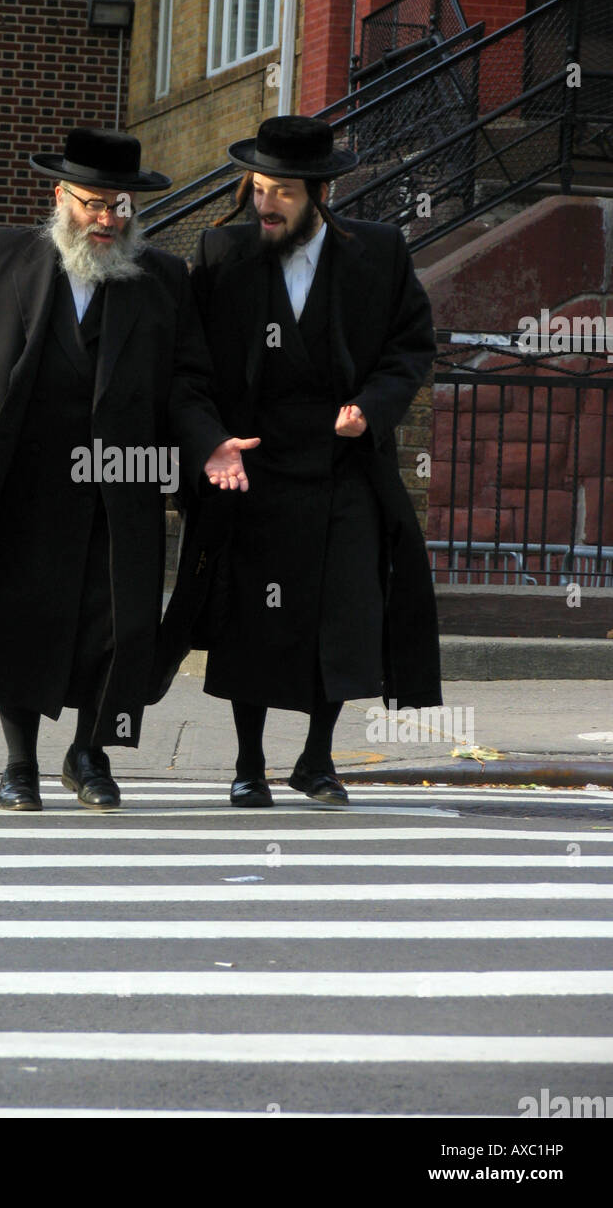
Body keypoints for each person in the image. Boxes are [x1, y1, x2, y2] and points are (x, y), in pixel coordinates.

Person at [0, 127, 258, 812]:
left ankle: (89, 755)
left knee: (117, 627)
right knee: (18, 621)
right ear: (59, 197)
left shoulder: (160, 279)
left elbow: (186, 381)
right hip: (18, 480)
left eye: (119, 206)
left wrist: (209, 443)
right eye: (92, 204)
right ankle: (19, 765)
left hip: (120, 482)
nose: (105, 219)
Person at [166, 115, 442, 808]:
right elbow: (186, 367)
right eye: (259, 188)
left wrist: (373, 407)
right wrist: (208, 443)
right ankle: (248, 764)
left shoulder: (377, 254)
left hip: (342, 469)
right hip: (252, 470)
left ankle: (316, 761)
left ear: (318, 192)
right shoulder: (222, 254)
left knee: (342, 614)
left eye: (283, 191)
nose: (266, 203)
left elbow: (410, 348)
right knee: (250, 621)